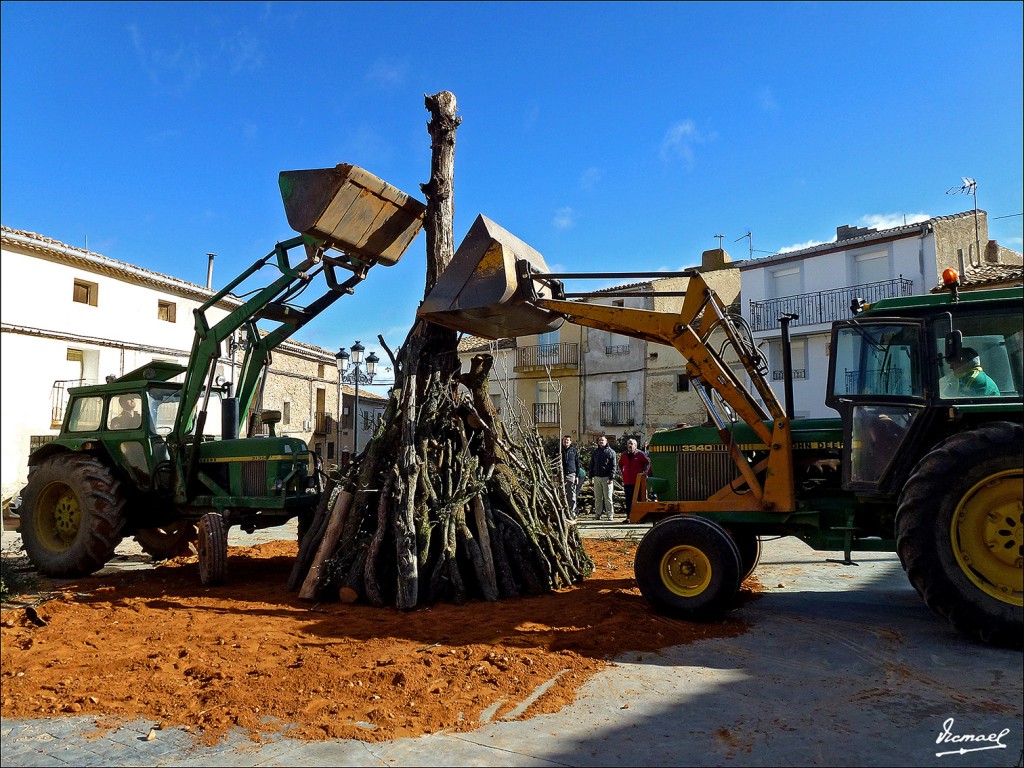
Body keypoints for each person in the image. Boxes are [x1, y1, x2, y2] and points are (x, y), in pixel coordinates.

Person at [618, 438, 650, 518]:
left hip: (638, 482)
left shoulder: (640, 454)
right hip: (627, 482)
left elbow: (648, 463)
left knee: (639, 499)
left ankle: (640, 517)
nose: (630, 445)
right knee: (628, 500)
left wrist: (645, 473)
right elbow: (620, 465)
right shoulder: (624, 455)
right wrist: (622, 474)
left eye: (632, 443)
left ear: (635, 445)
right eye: (629, 443)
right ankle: (629, 517)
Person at [589, 435, 617, 522]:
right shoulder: (595, 452)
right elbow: (591, 465)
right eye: (600, 440)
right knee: (598, 498)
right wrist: (590, 476)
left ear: (606, 441)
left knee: (608, 497)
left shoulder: (611, 452)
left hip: (607, 478)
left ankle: (610, 514)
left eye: (603, 440)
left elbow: (614, 466)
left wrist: (611, 477)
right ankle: (598, 514)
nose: (601, 442)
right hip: (597, 477)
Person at [560, 435, 581, 519]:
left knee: (572, 494)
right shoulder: (559, 450)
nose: (566, 441)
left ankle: (572, 511)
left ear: (570, 442)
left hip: (571, 474)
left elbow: (577, 463)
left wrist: (577, 476)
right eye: (565, 440)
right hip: (561, 474)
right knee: (561, 493)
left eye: (568, 440)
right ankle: (562, 511)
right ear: (562, 441)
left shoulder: (573, 451)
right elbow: (554, 462)